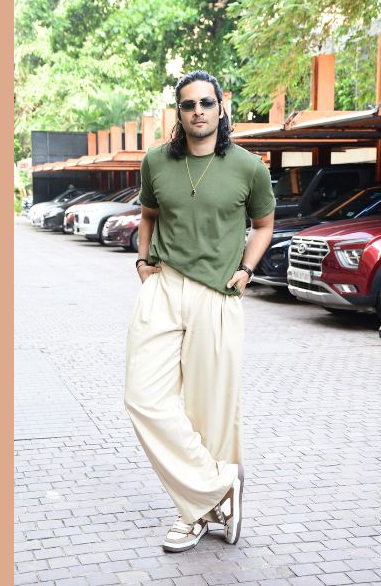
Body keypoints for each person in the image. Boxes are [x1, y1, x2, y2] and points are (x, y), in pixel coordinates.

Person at [123, 69, 275, 553]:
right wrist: (142, 262)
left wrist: (247, 269)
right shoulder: (156, 161)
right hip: (164, 287)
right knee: (142, 397)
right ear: (179, 112)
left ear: (220, 107)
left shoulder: (248, 167)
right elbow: (148, 215)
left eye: (206, 103)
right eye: (188, 105)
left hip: (217, 293)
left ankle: (196, 513)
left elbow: (265, 225)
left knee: (210, 410)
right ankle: (219, 483)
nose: (198, 112)